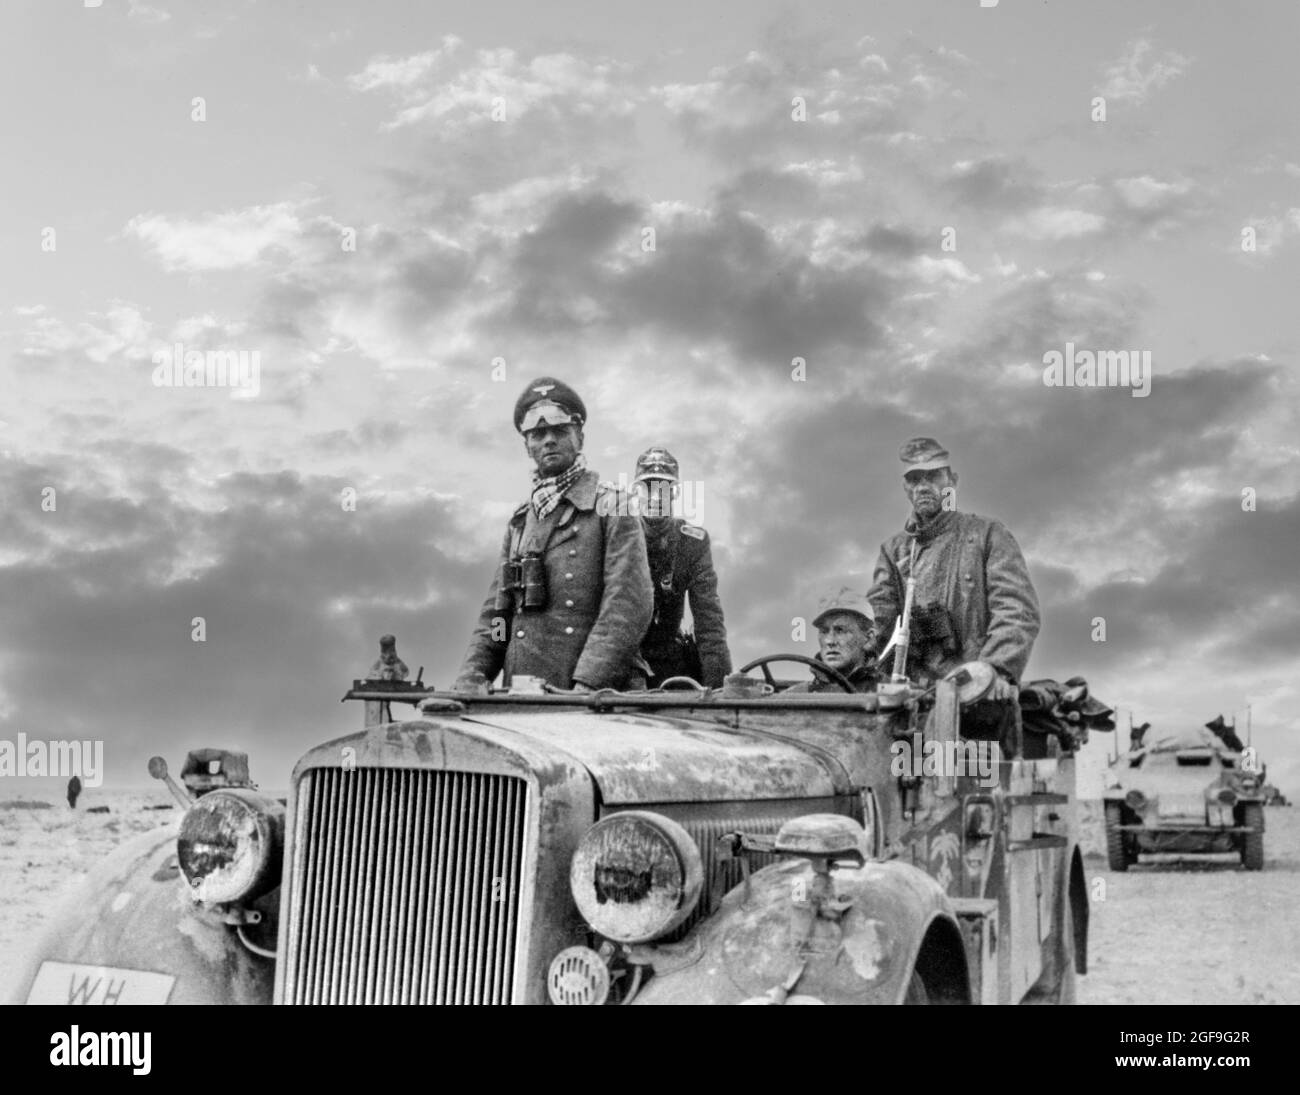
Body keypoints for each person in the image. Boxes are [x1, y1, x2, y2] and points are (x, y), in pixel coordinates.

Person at [455, 378, 653, 692]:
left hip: (598, 695)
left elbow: (627, 606)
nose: (549, 441)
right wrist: (471, 679)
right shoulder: (519, 522)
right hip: (524, 691)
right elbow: (498, 618)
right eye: (537, 434)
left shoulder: (614, 506)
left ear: (580, 437)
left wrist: (587, 684)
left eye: (560, 431)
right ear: (526, 446)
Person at [867, 438, 1040, 700]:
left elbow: (1016, 610)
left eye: (933, 476)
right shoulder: (894, 551)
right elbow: (881, 625)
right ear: (905, 487)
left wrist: (994, 670)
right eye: (914, 478)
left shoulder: (987, 534)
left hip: (975, 691)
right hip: (911, 696)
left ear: (952, 481)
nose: (923, 486)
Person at [632, 446, 732, 688]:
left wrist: (718, 690)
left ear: (675, 493)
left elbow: (709, 621)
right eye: (648, 487)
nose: (656, 497)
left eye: (664, 489)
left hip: (669, 660)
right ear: (636, 492)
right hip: (622, 657)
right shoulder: (617, 535)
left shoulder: (692, 542)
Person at [786, 588, 879, 693]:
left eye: (840, 631)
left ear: (868, 638)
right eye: (824, 631)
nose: (829, 641)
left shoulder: (891, 697)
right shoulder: (794, 697)